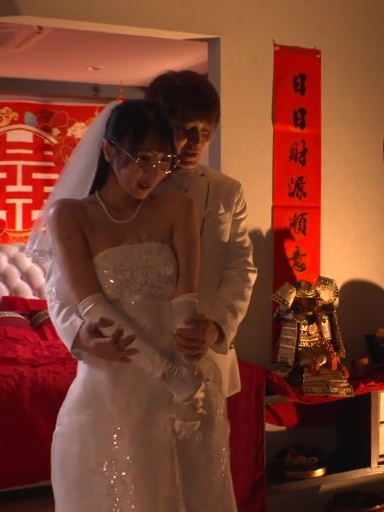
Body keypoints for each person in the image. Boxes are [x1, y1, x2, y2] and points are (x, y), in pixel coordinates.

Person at [28, 99, 239, 511]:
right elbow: (91, 303)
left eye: (163, 161)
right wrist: (170, 376)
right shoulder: (69, 215)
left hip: (185, 370)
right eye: (142, 159)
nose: (152, 173)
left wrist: (187, 379)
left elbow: (185, 295)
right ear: (109, 151)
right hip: (120, 371)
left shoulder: (178, 207)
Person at [49, 70, 256, 400]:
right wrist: (77, 334)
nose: (196, 141)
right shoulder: (118, 188)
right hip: (126, 353)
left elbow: (240, 268)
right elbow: (60, 279)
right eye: (184, 128)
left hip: (200, 353)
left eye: (206, 131)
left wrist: (218, 326)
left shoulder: (226, 191)